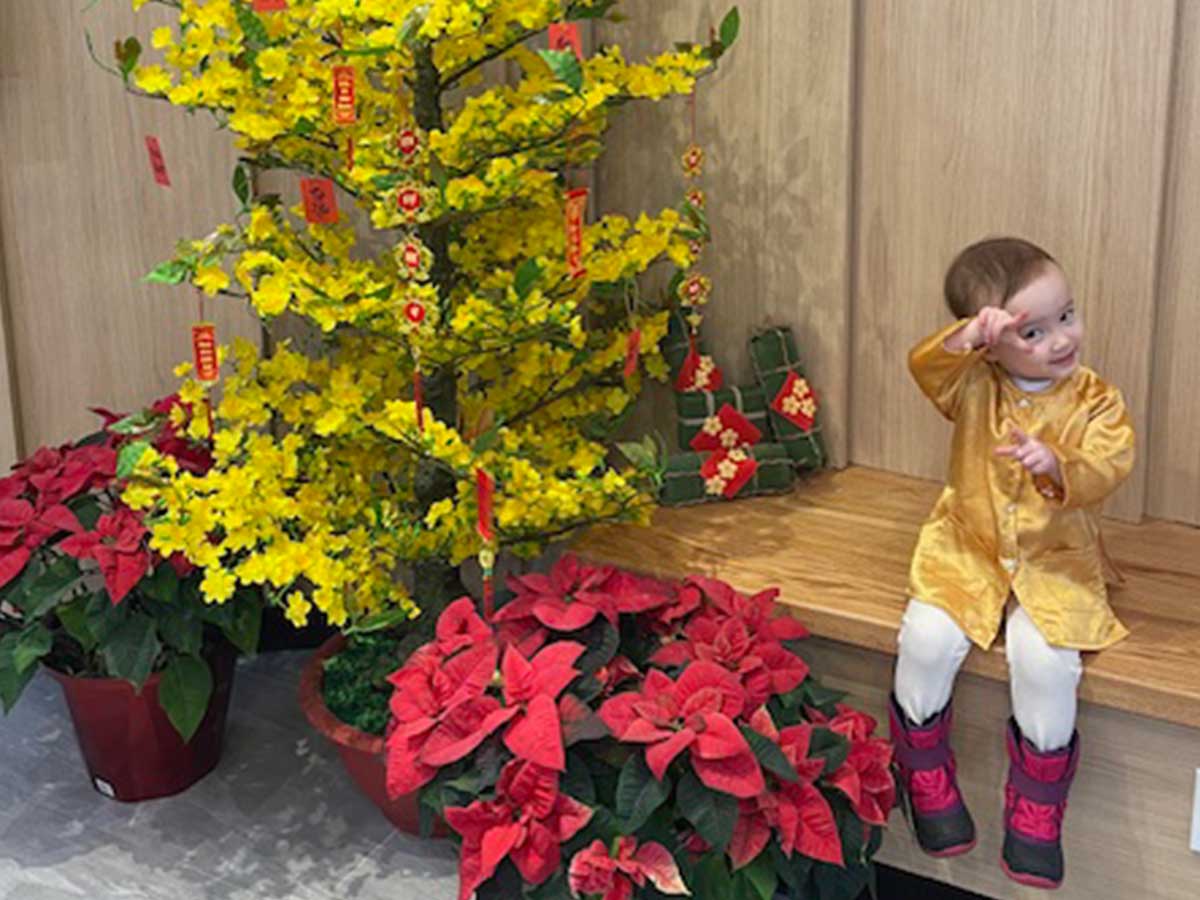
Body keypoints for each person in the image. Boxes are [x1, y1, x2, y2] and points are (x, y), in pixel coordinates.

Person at [888, 237, 1135, 890]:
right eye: (1034, 331)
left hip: (1056, 562)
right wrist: (965, 338)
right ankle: (922, 768)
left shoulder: (1094, 399)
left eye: (1067, 316)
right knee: (925, 638)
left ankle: (1037, 805)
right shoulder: (972, 382)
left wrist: (1059, 464)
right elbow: (926, 368)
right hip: (965, 550)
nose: (1062, 338)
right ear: (992, 345)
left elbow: (1112, 461)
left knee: (1045, 660)